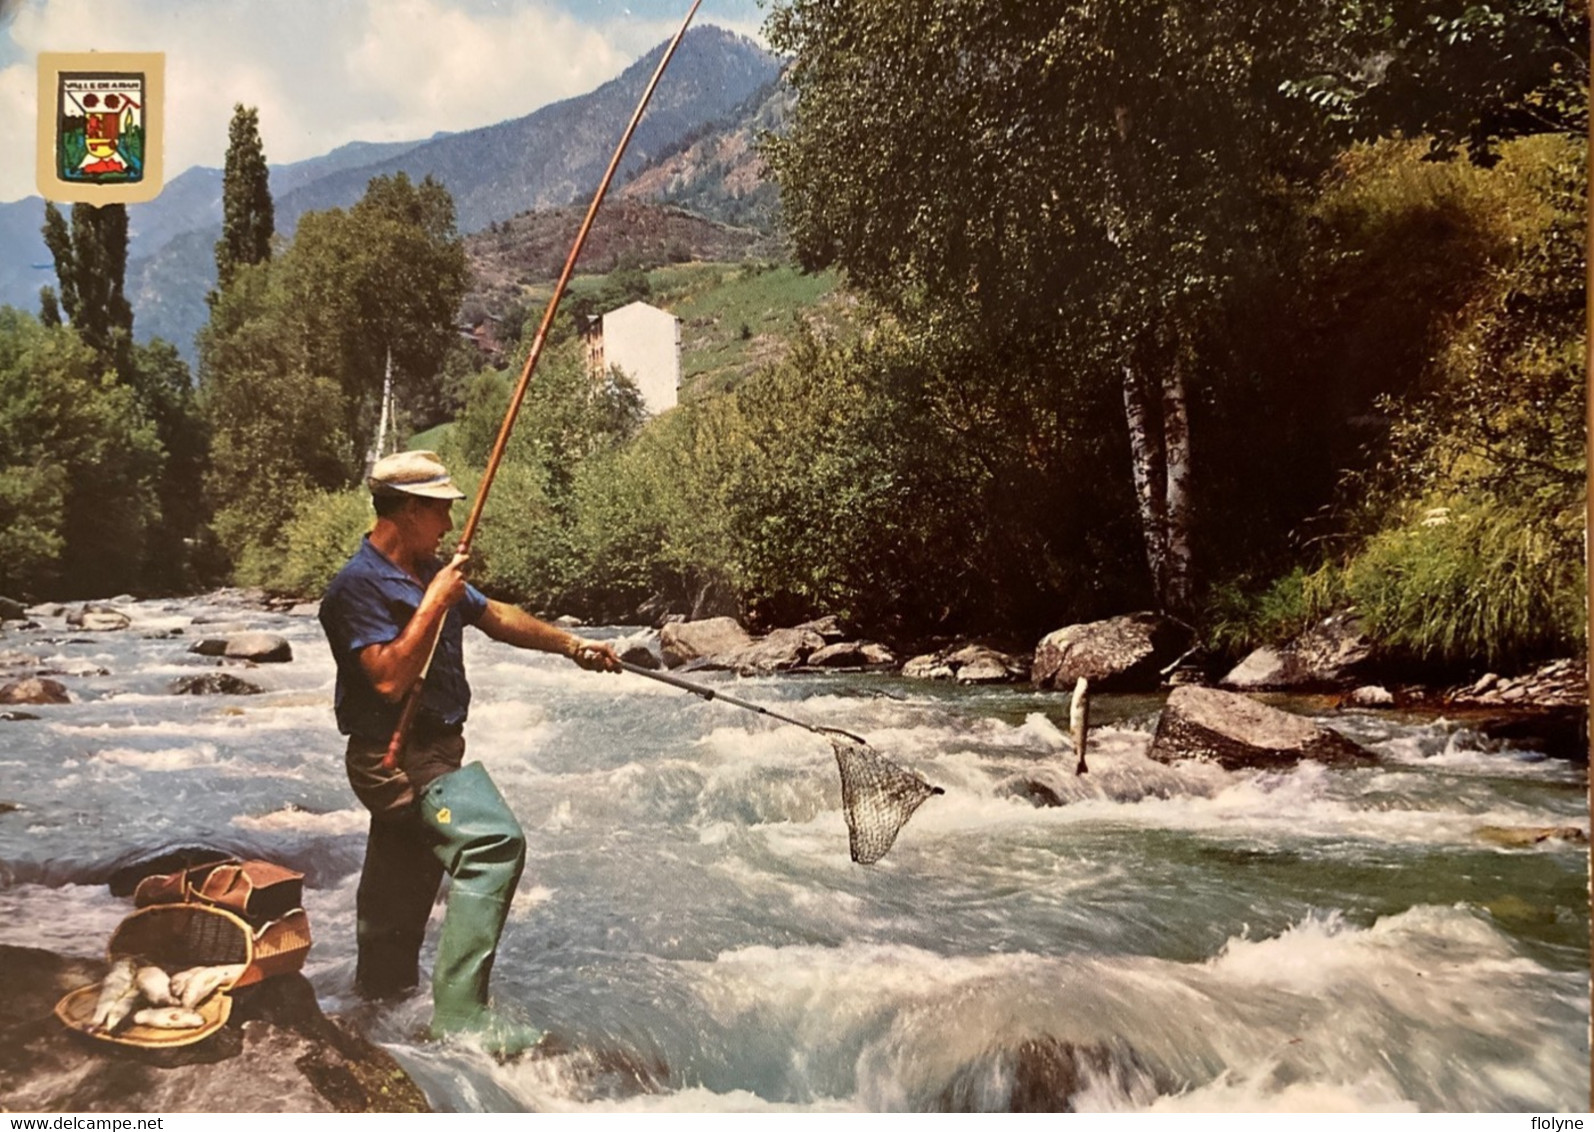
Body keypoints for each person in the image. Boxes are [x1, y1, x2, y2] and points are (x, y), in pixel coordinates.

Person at [319, 449, 620, 1057]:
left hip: (435, 750)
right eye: (438, 512)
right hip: (396, 759)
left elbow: (498, 616)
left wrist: (570, 645)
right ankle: (459, 1015)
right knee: (493, 842)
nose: (449, 526)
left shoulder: (425, 569)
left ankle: (377, 1009)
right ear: (405, 511)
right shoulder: (355, 588)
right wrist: (433, 602)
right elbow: (385, 680)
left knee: (398, 893)